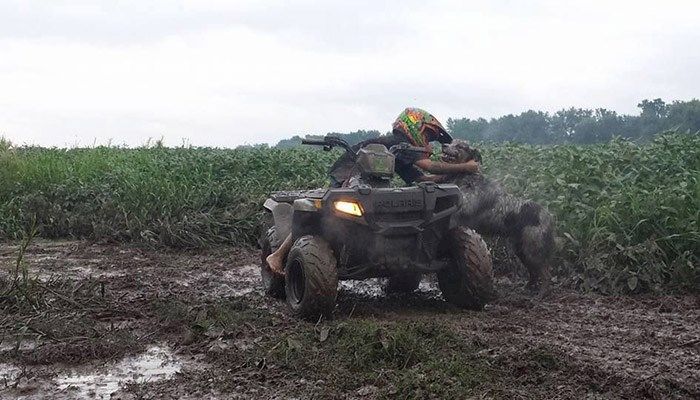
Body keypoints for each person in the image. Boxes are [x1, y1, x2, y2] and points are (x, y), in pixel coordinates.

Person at [265, 107, 480, 275]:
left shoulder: (401, 152)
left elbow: (423, 178)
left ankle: (390, 258)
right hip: (347, 172)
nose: (427, 143)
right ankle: (277, 255)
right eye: (428, 136)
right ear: (414, 127)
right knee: (318, 211)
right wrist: (465, 167)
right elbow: (428, 166)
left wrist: (452, 177)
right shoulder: (397, 142)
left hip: (371, 184)